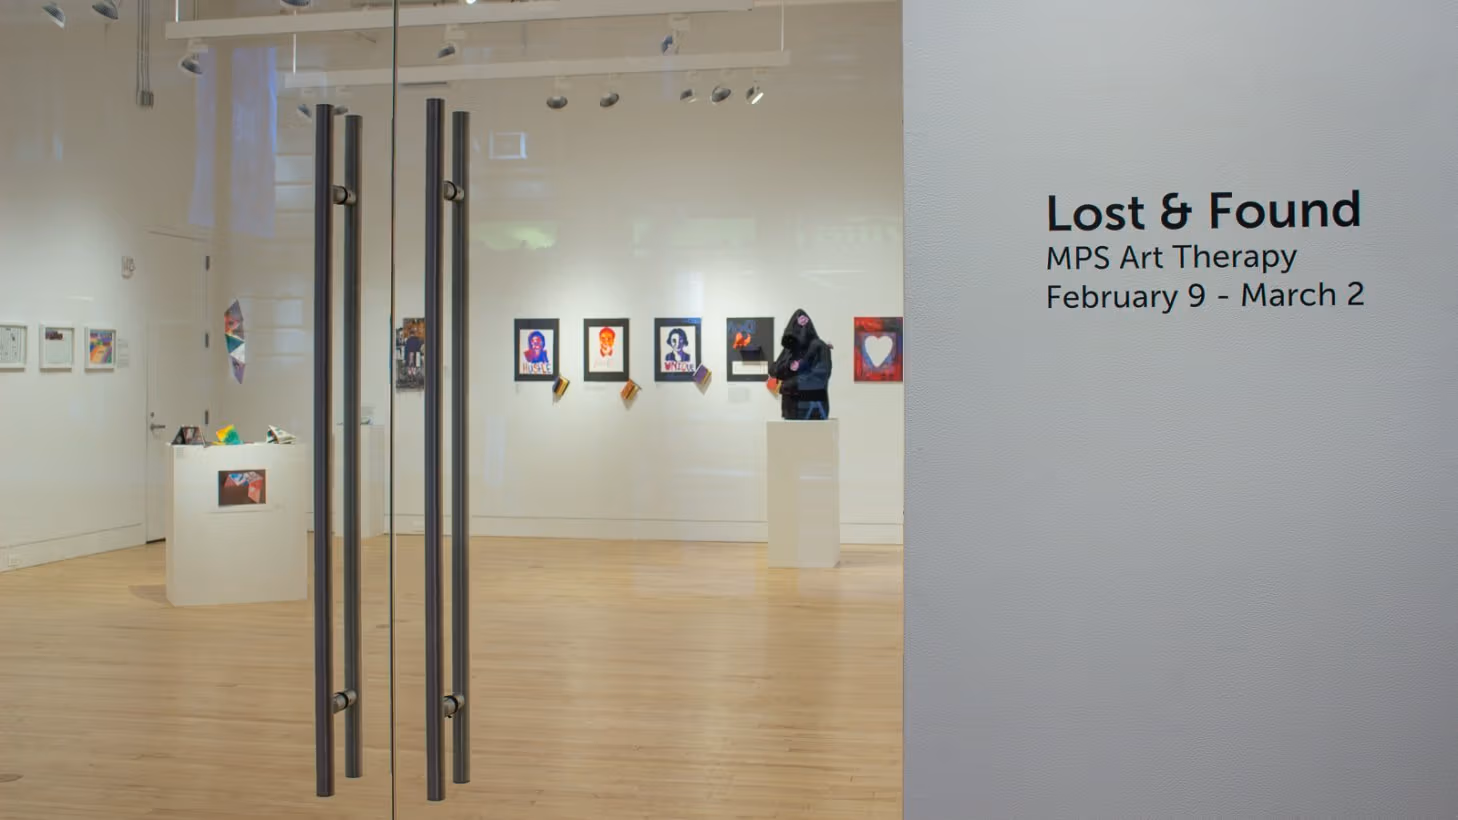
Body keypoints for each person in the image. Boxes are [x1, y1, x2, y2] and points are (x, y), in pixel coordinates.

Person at [768, 309, 832, 420]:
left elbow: (819, 377)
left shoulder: (819, 346)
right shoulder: (790, 349)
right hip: (790, 411)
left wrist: (788, 385)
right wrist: (786, 366)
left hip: (812, 412)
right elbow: (774, 370)